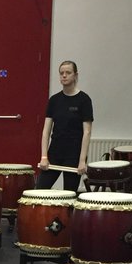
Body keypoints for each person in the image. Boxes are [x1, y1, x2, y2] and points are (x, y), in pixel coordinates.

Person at [37, 60, 92, 191]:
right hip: (55, 152)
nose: (64, 75)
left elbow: (87, 132)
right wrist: (44, 157)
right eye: (61, 73)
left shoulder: (84, 100)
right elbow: (46, 131)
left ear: (75, 75)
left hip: (74, 154)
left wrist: (82, 160)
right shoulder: (54, 100)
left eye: (68, 72)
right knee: (39, 190)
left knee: (69, 194)